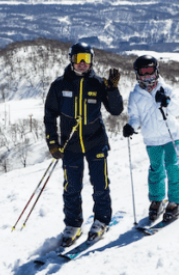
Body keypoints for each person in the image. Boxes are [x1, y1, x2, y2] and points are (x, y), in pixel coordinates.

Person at [44, 42, 124, 247]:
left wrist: (113, 90)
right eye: (78, 59)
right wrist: (53, 142)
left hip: (95, 142)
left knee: (100, 185)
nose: (82, 63)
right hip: (70, 146)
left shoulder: (98, 83)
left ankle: (101, 219)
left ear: (91, 61)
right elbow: (50, 116)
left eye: (86, 59)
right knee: (71, 188)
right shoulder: (59, 85)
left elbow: (115, 110)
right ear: (71, 59)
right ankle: (73, 224)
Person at [122, 55, 179, 222]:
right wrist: (131, 126)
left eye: (150, 70)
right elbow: (135, 117)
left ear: (156, 71)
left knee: (172, 167)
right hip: (151, 139)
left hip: (170, 135)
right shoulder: (135, 95)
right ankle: (157, 201)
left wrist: (167, 102)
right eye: (143, 72)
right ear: (137, 73)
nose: (147, 75)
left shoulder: (166, 89)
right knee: (156, 169)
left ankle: (176, 201)